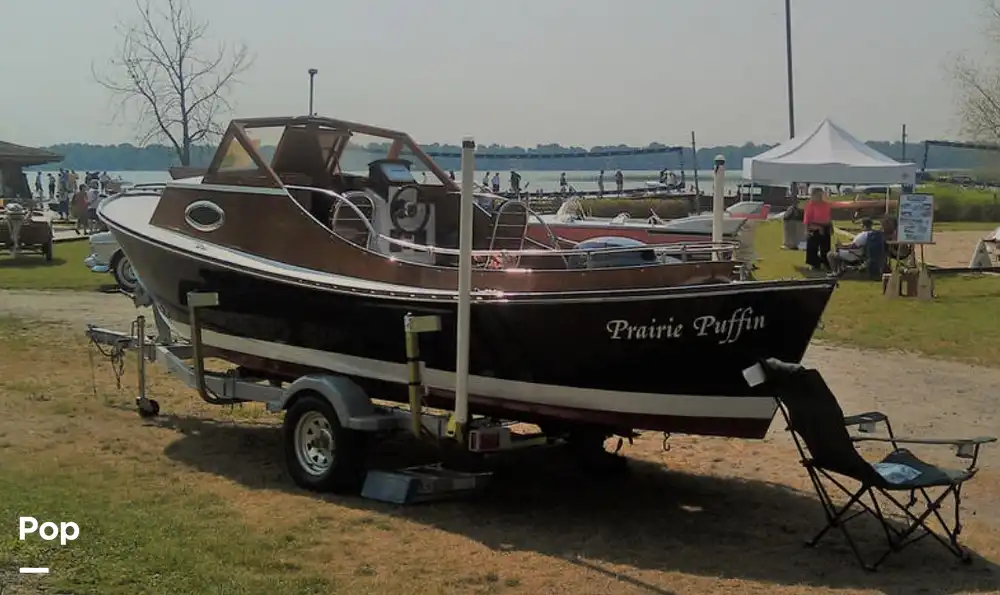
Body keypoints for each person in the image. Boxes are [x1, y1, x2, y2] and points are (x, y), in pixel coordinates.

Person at [803, 187, 833, 271]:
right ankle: (814, 264)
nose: (819, 197)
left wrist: (831, 227)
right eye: (817, 195)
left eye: (821, 195)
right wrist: (807, 230)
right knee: (813, 247)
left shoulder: (826, 205)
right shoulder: (810, 205)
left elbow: (828, 216)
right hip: (814, 226)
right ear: (813, 195)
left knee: (826, 247)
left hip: (825, 226)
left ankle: (825, 263)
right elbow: (807, 219)